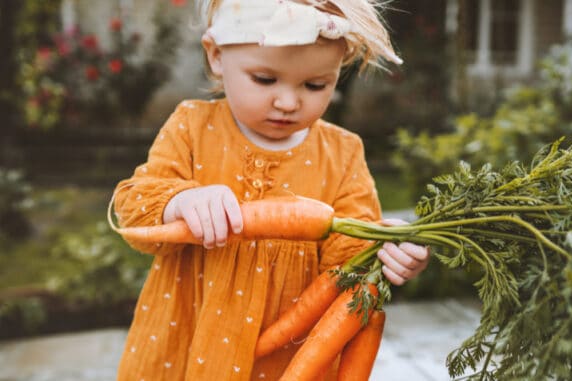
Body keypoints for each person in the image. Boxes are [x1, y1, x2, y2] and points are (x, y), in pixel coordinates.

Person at [112, 0, 429, 380]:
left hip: (288, 359)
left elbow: (348, 257)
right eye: (264, 80)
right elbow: (135, 206)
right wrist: (180, 201)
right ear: (215, 55)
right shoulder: (191, 127)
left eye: (315, 85)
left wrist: (387, 249)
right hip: (186, 344)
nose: (288, 102)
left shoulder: (342, 153)